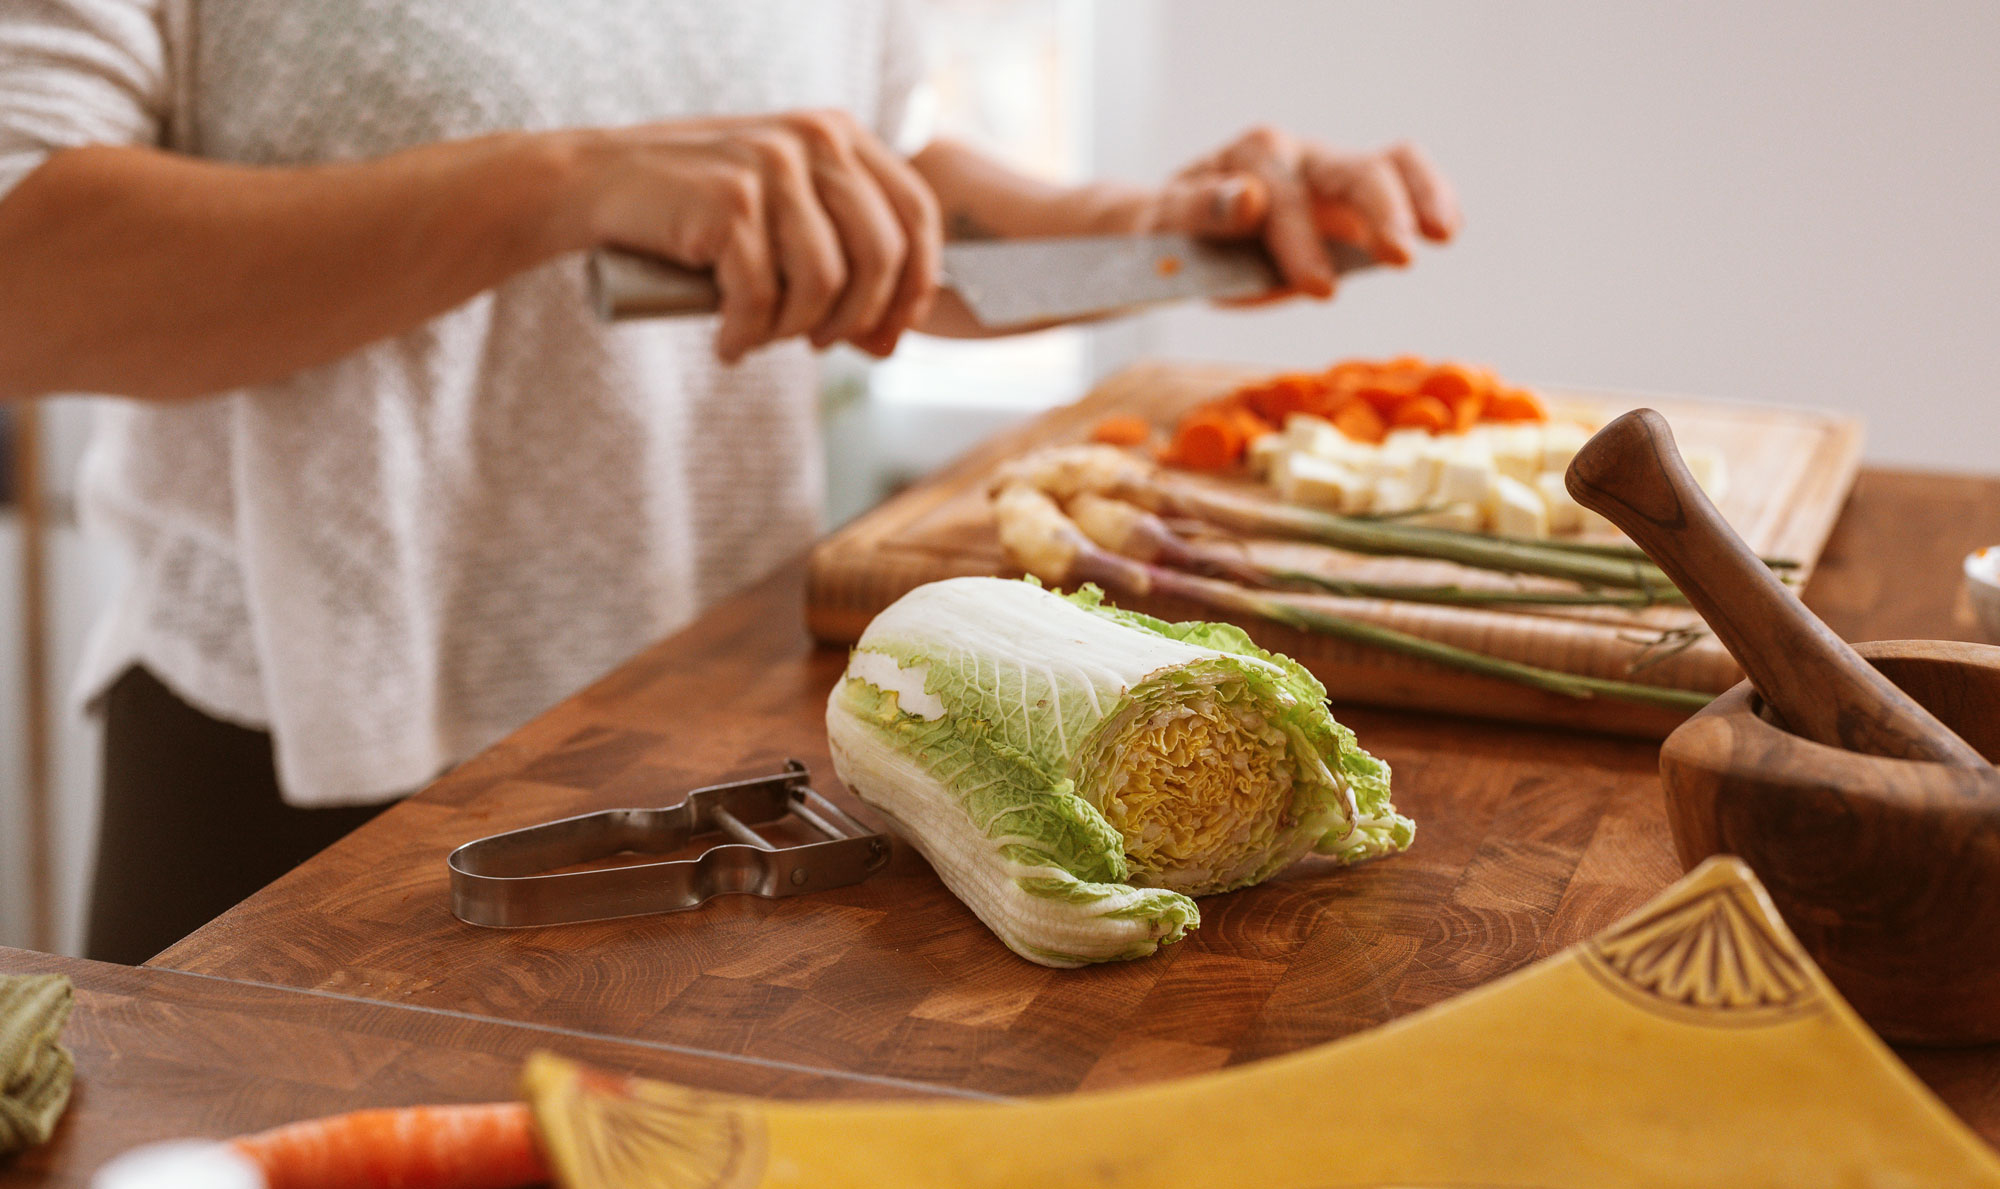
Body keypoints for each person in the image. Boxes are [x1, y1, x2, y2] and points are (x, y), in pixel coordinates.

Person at [0, 0, 1460, 965]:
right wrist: (556, 185)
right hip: (284, 785)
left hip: (716, 755)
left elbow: (854, 189)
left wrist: (1157, 225)